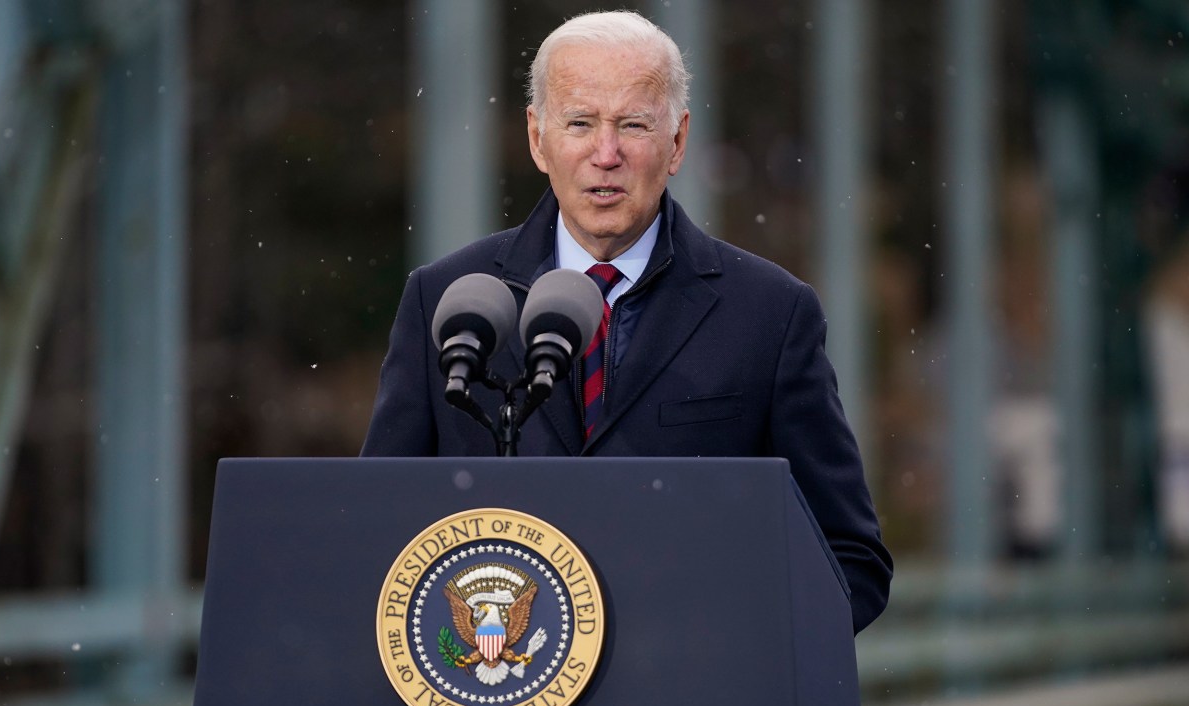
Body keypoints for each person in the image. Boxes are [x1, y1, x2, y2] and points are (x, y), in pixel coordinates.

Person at [361, 10, 891, 633]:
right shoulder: (446, 302)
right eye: (580, 123)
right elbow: (379, 532)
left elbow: (850, 560)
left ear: (677, 142)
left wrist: (730, 649)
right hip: (502, 701)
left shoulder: (771, 313)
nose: (605, 154)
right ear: (537, 139)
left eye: (633, 125)